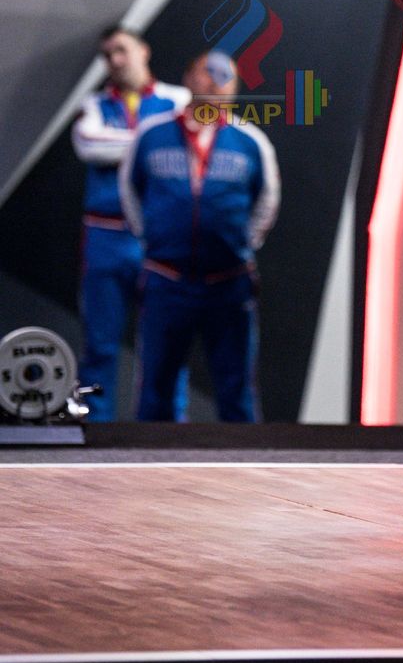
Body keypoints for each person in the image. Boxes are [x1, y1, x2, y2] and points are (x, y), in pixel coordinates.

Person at [119, 51, 280, 422]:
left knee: (237, 390)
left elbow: (266, 201)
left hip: (228, 284)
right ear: (189, 78)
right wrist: (156, 238)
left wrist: (240, 244)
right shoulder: (152, 134)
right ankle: (149, 459)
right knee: (155, 389)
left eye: (227, 76)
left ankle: (243, 459)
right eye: (209, 72)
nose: (217, 82)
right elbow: (130, 192)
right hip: (166, 280)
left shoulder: (250, 141)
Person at [71, 26, 190, 420]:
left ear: (143, 50)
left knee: (166, 344)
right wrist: (156, 142)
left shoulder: (178, 99)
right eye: (107, 55)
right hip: (104, 238)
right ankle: (94, 436)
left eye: (121, 50)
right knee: (100, 345)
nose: (115, 61)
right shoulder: (93, 104)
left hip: (159, 239)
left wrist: (126, 142)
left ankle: (167, 437)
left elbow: (194, 142)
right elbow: (89, 144)